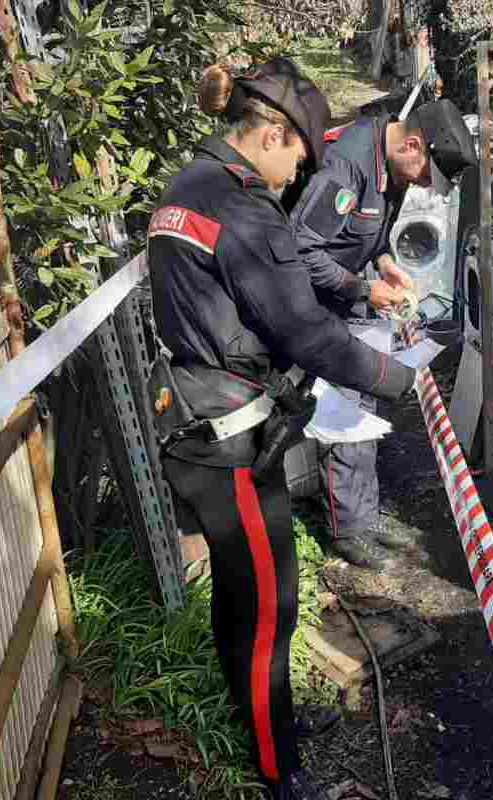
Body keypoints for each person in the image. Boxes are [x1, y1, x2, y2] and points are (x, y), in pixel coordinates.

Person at [146, 59, 415, 800]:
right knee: (271, 602)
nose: (301, 168)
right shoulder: (242, 208)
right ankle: (278, 767)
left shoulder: (186, 187)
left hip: (199, 421)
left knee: (240, 592)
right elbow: (307, 335)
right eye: (300, 152)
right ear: (271, 132)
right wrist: (401, 381)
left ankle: (258, 718)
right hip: (228, 440)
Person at [290, 98, 478, 571]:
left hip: (352, 296)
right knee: (342, 409)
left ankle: (365, 513)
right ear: (412, 144)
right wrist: (361, 288)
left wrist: (387, 265)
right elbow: (298, 249)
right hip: (319, 302)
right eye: (422, 174)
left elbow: (370, 239)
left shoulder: (387, 164)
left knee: (365, 405)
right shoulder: (346, 169)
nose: (417, 183)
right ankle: (347, 528)